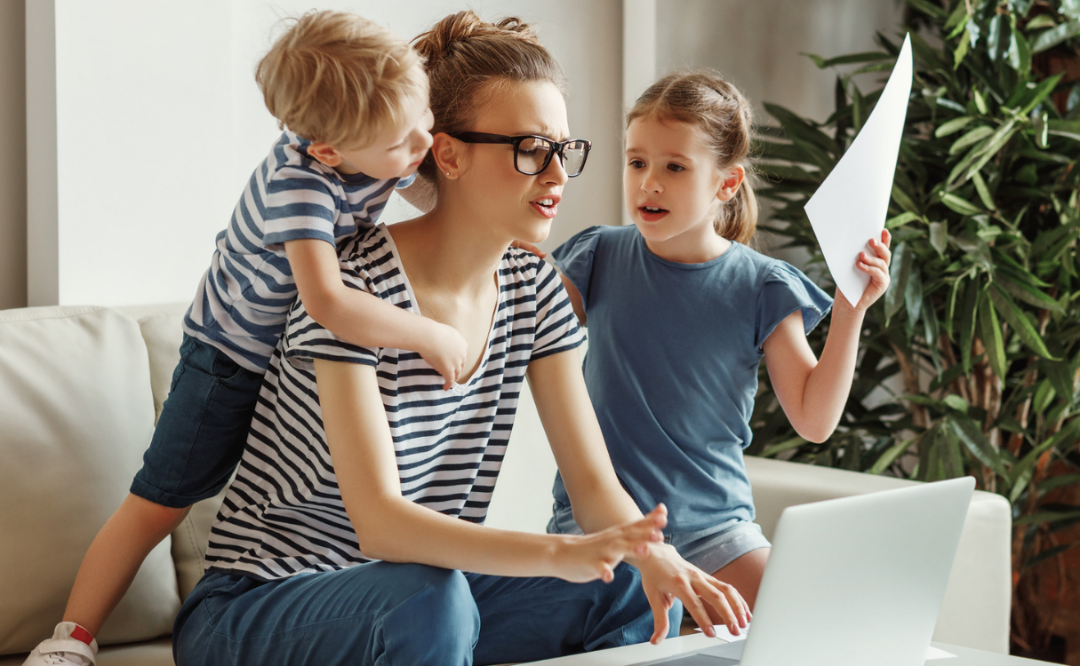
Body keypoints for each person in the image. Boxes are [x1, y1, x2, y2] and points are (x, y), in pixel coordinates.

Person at [170, 12, 749, 666]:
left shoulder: (534, 288)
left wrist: (656, 555)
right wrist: (559, 553)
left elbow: (592, 487)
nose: (556, 175)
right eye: (531, 149)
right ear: (448, 153)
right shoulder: (350, 288)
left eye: (564, 150)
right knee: (431, 596)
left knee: (629, 590)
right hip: (260, 602)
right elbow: (380, 524)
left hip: (420, 595)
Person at [23, 12, 473, 666]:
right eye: (403, 143)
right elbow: (327, 299)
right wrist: (428, 334)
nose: (424, 145)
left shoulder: (383, 139)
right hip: (227, 362)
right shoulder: (300, 185)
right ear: (326, 151)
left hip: (289, 359)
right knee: (159, 503)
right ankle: (72, 639)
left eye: (425, 120)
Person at [546, 70, 894, 615]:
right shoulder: (597, 258)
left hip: (717, 533)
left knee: (805, 624)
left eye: (674, 167)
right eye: (637, 162)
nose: (648, 183)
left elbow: (813, 419)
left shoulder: (764, 286)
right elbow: (513, 335)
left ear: (726, 183)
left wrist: (852, 310)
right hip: (603, 530)